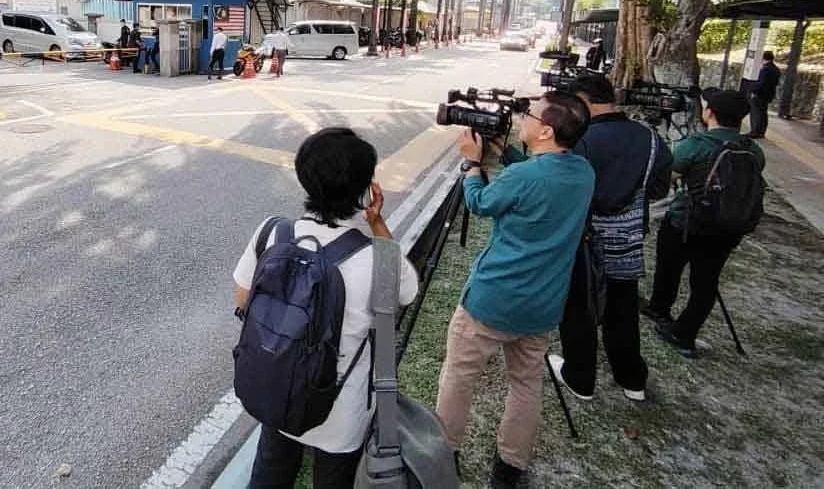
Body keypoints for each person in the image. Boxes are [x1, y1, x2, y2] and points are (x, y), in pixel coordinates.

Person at [233, 127, 419, 488]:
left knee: (271, 468)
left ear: (305, 180)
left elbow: (243, 301)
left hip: (278, 387)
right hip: (339, 412)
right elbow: (406, 294)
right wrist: (376, 222)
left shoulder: (272, 232)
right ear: (365, 191)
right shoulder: (378, 259)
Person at [435, 92, 595, 489]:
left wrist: (473, 162)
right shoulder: (583, 171)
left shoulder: (526, 178)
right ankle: (509, 469)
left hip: (493, 299)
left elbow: (481, 203)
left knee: (458, 376)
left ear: (545, 130)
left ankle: (444, 452)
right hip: (543, 303)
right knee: (526, 384)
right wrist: (504, 152)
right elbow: (539, 176)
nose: (521, 117)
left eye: (530, 114)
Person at [548, 74, 673, 403]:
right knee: (622, 306)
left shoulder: (583, 138)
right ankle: (632, 378)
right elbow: (660, 187)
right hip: (629, 238)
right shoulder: (651, 138)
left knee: (579, 307)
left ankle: (580, 377)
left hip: (584, 237)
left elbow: (561, 185)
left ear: (584, 102)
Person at [641, 88, 765, 357]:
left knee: (669, 266)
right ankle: (685, 334)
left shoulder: (697, 144)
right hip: (729, 227)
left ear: (710, 113)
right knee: (706, 282)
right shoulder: (753, 150)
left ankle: (660, 308)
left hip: (686, 222)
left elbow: (665, 180)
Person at [746, 50, 781, 139]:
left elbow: (762, 83)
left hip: (760, 95)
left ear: (763, 58)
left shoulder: (765, 69)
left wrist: (753, 90)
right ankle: (761, 131)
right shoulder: (776, 69)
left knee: (756, 113)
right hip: (769, 94)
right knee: (763, 113)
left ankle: (755, 131)